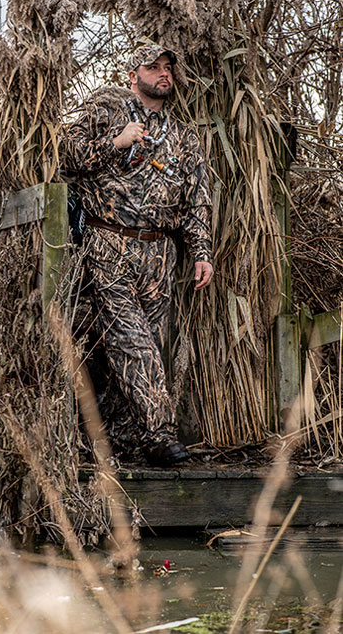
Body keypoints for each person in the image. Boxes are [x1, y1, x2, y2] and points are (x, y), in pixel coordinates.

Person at [61, 44, 213, 467]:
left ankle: (125, 440)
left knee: (138, 346)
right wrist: (116, 141)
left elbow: (197, 200)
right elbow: (64, 157)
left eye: (168, 68)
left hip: (160, 254)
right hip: (109, 243)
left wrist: (201, 252)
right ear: (133, 74)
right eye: (153, 67)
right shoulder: (104, 114)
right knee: (133, 344)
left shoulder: (183, 136)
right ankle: (163, 435)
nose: (163, 73)